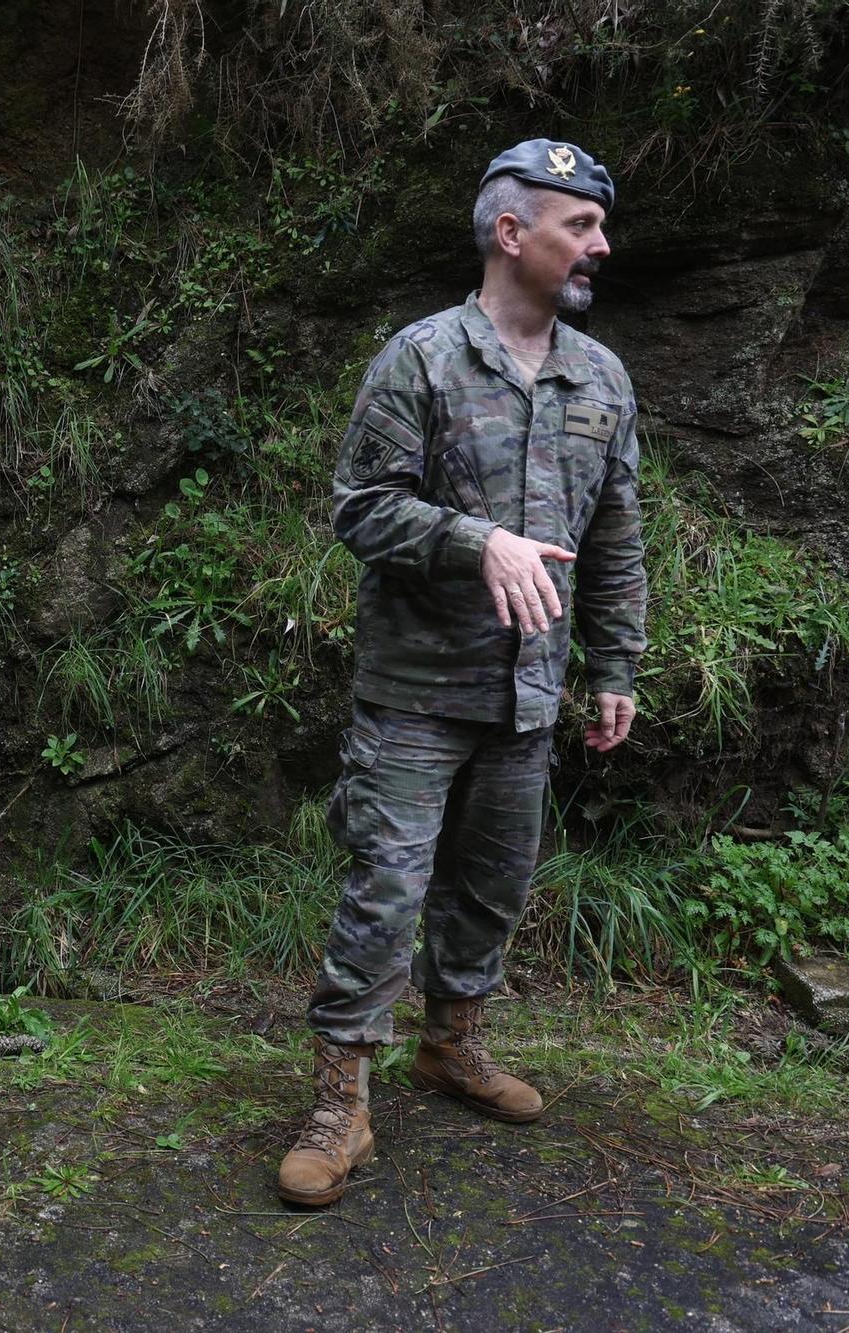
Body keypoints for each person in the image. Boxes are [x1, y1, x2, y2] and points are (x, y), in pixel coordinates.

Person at [277, 139, 648, 1208]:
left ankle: (451, 1045)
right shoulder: (422, 359)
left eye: (595, 225)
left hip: (525, 695)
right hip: (414, 693)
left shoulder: (600, 377)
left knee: (491, 885)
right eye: (578, 224)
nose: (598, 243)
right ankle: (338, 1103)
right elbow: (359, 507)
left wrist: (612, 663)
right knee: (383, 892)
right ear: (508, 232)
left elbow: (616, 534)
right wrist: (471, 539)